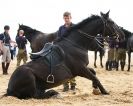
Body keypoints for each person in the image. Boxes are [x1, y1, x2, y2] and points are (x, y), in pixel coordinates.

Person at [57, 11, 76, 92]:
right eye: (65, 18)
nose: (66, 19)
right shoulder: (61, 28)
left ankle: (73, 85)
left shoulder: (75, 26)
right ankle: (65, 86)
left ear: (70, 18)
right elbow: (59, 38)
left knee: (72, 68)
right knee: (63, 68)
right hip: (63, 51)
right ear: (63, 18)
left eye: (68, 18)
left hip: (72, 51)